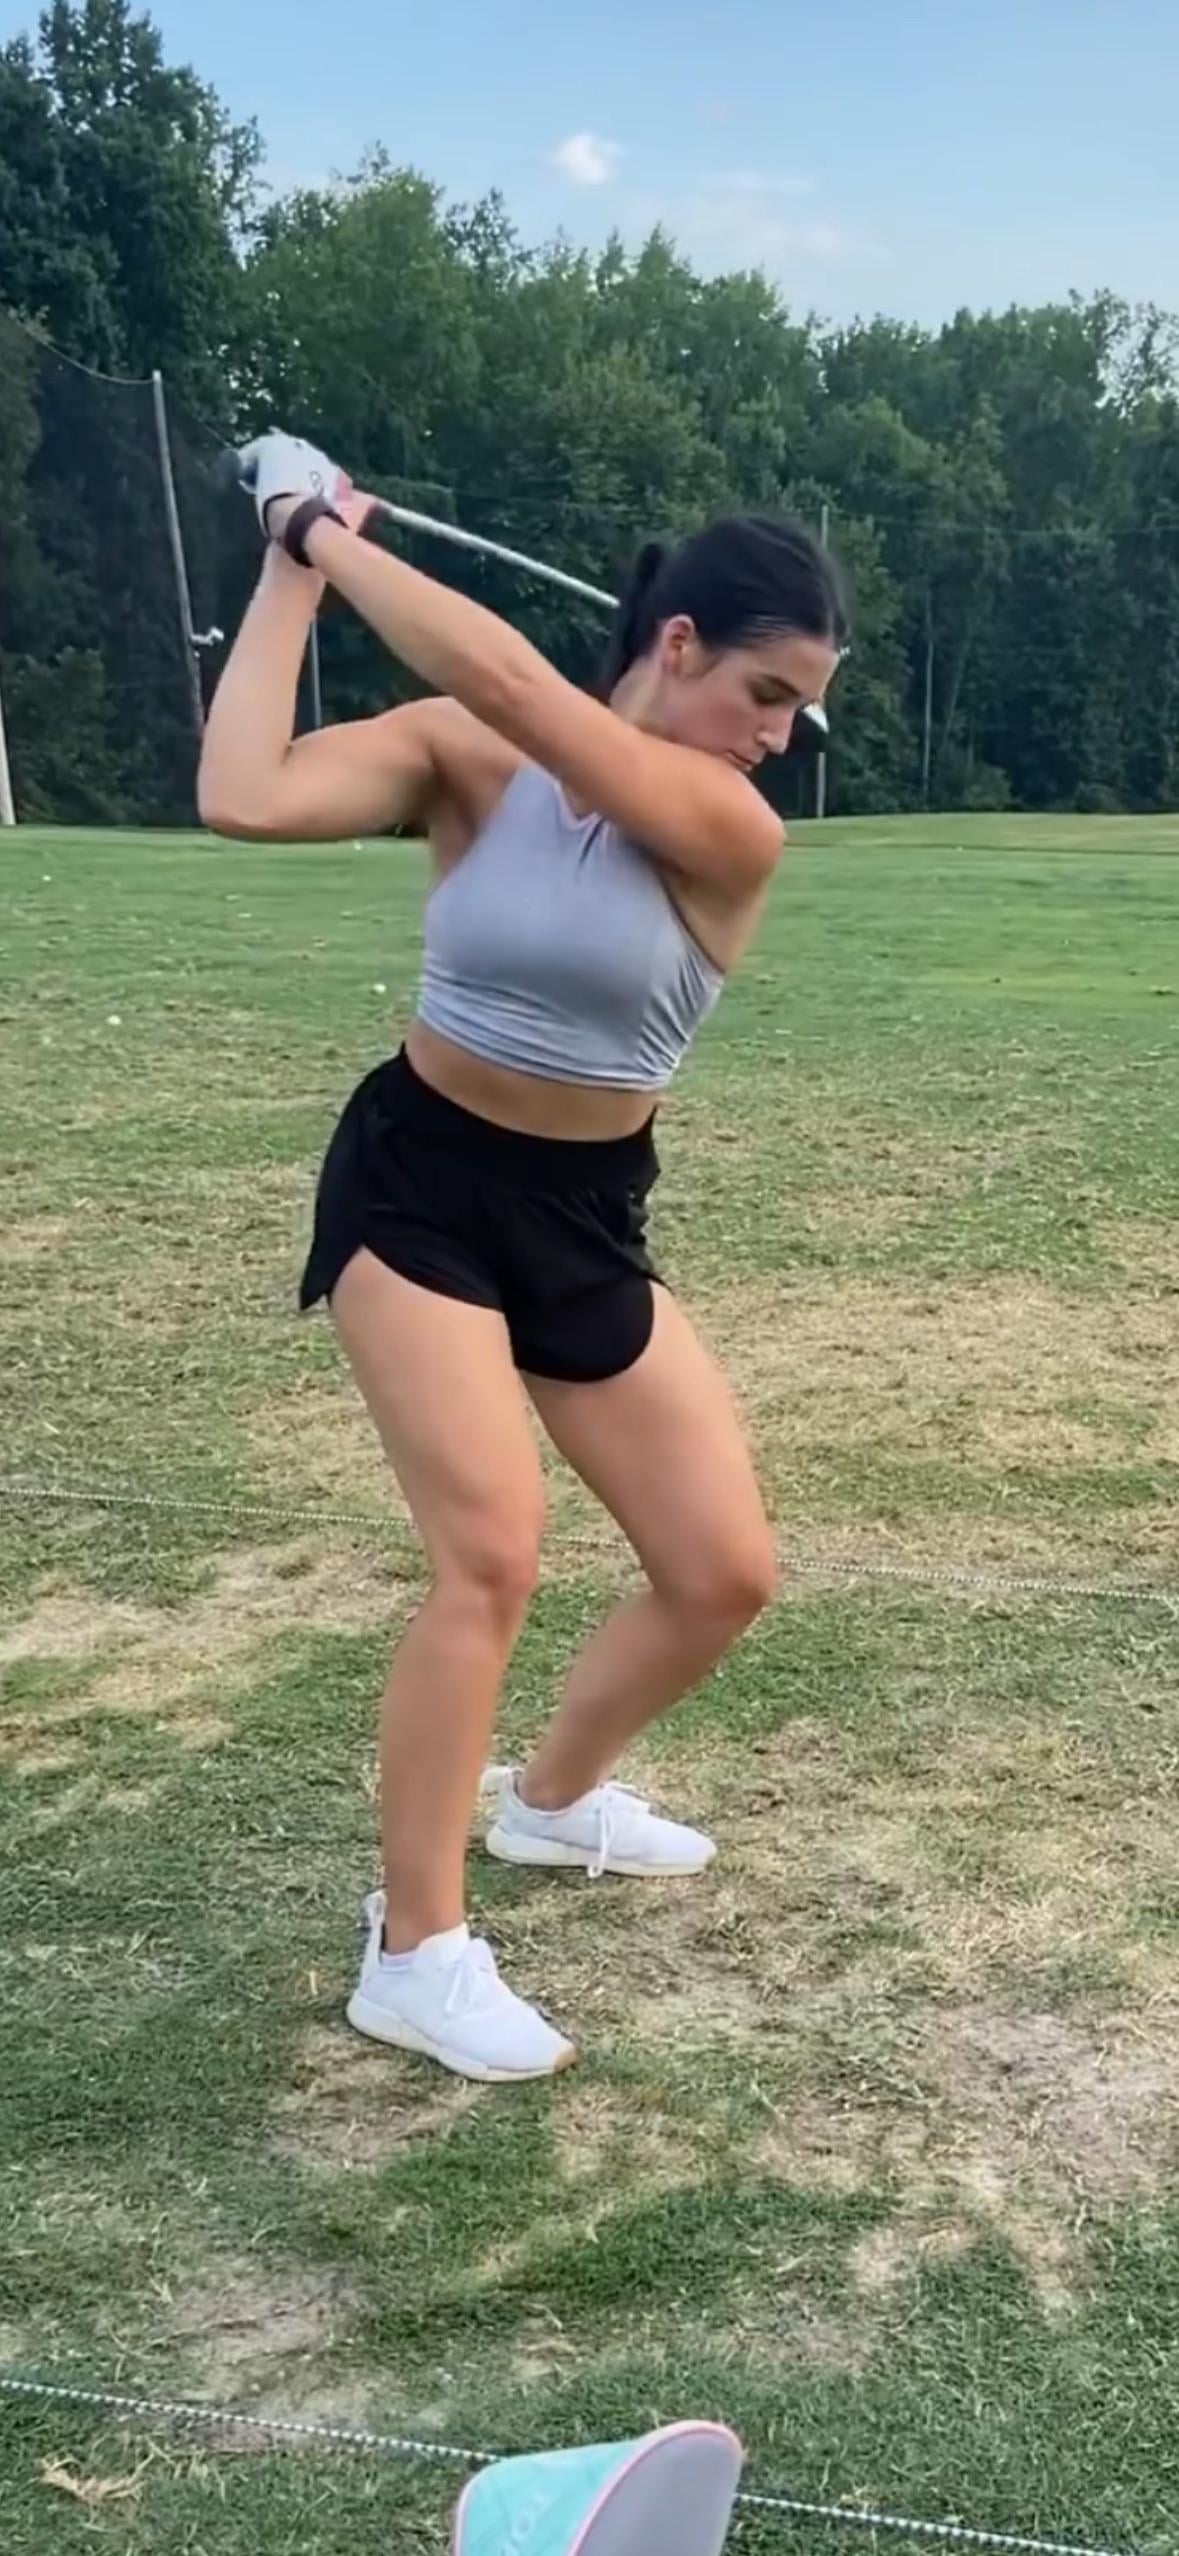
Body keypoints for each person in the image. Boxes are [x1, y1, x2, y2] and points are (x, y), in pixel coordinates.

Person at [198, 429, 847, 2085]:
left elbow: (513, 682)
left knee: (721, 1573)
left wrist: (325, 528)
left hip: (582, 1213)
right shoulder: (461, 760)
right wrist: (288, 567)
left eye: (798, 709)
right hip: (417, 1185)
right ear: (679, 643)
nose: (780, 738)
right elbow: (241, 793)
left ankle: (549, 1803)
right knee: (489, 1555)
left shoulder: (723, 827)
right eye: (767, 693)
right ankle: (413, 1952)